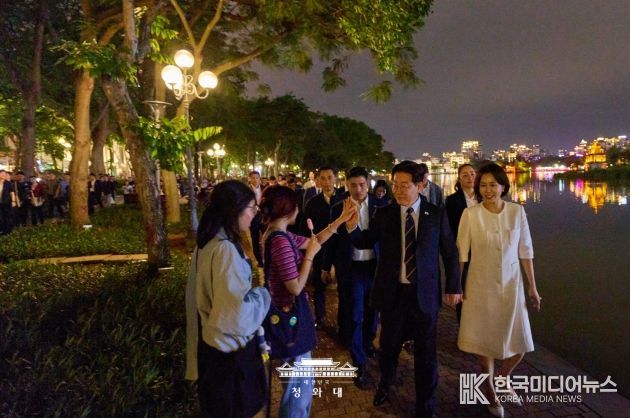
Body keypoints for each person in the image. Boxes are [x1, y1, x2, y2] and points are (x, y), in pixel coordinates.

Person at [345, 160, 461, 417]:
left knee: (426, 354)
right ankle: (386, 383)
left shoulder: (436, 214)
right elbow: (365, 241)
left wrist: (454, 286)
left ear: (421, 185)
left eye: (404, 185)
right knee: (388, 347)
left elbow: (450, 252)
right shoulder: (384, 213)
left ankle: (425, 405)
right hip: (393, 294)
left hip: (424, 295)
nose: (397, 190)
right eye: (395, 185)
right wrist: (352, 227)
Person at [259, 185, 355, 418]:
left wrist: (340, 220)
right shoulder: (279, 241)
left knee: (297, 386)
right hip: (288, 319)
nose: (299, 210)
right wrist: (310, 257)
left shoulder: (277, 233)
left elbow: (315, 241)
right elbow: (295, 286)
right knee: (299, 390)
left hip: (285, 316)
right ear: (288, 209)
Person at [456, 163, 541, 418]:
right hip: (479, 285)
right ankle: (490, 389)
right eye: (483, 185)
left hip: (512, 286)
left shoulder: (517, 212)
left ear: (503, 186)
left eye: (493, 184)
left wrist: (533, 287)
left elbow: (525, 250)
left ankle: (502, 378)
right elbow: (461, 254)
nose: (488, 190)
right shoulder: (470, 214)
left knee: (520, 342)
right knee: (485, 343)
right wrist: (456, 286)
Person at [185, 180, 271, 418]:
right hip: (230, 358)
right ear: (235, 210)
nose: (255, 214)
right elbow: (236, 315)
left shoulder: (207, 243)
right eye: (251, 208)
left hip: (211, 352)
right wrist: (263, 295)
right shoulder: (225, 250)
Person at [327, 167, 379, 388]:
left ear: (368, 183)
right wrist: (325, 267)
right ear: (346, 184)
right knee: (355, 314)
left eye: (362, 184)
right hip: (351, 268)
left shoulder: (381, 206)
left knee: (373, 313)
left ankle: (368, 343)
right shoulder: (338, 208)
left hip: (374, 268)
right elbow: (332, 240)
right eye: (353, 185)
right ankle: (359, 361)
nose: (358, 189)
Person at [301, 166, 344, 330]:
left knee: (343, 285)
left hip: (339, 249)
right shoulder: (313, 203)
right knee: (318, 285)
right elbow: (305, 228)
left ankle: (342, 321)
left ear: (335, 178)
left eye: (330, 177)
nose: (327, 182)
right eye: (323, 178)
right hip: (320, 248)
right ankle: (320, 317)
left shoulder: (344, 200)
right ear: (318, 180)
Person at [444, 163, 480, 322]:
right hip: (462, 251)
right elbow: (449, 228)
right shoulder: (452, 201)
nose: (470, 177)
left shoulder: (485, 197)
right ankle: (463, 326)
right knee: (463, 287)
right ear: (459, 179)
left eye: (472, 173)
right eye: (465, 175)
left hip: (483, 250)